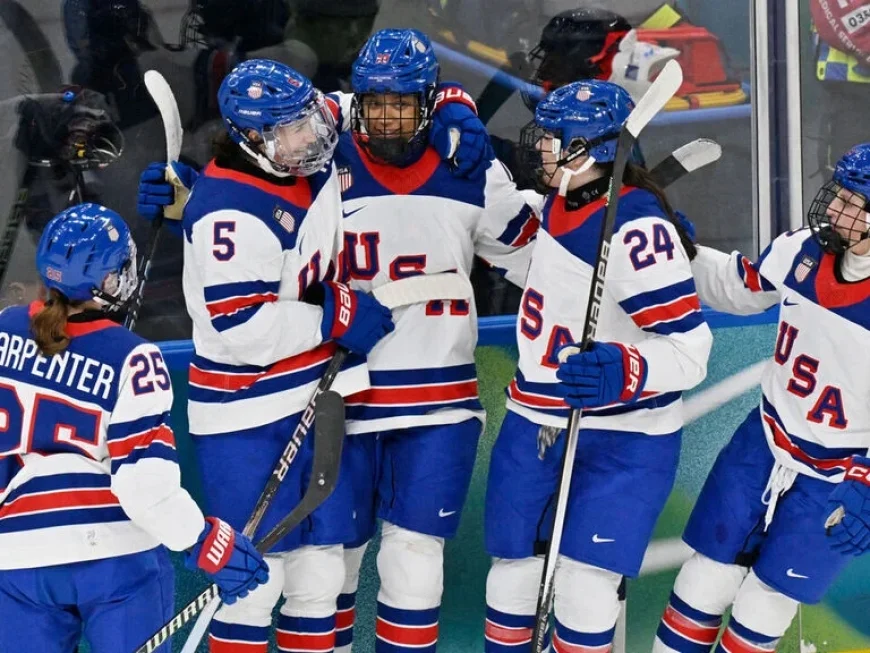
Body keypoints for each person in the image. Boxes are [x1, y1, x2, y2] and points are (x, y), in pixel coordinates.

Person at [329, 28, 540, 653]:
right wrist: (191, 199)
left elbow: (542, 261)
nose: (388, 118)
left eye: (404, 102)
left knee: (415, 560)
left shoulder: (471, 167)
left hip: (437, 397)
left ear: (427, 102)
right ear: (355, 101)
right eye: (375, 102)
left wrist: (629, 219)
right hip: (338, 393)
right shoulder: (320, 157)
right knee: (328, 563)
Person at [482, 80, 712, 652]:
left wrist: (624, 369)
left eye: (557, 138)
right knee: (512, 579)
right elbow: (504, 246)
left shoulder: (638, 232)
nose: (541, 147)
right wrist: (468, 163)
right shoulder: (556, 205)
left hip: (623, 437)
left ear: (594, 151)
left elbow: (691, 351)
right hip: (534, 419)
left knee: (585, 588)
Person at [0, 203, 268, 653]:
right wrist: (206, 542)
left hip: (16, 562)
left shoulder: (5, 330)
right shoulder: (135, 358)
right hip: (115, 561)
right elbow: (145, 487)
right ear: (112, 280)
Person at [652, 144, 870, 653]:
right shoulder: (804, 249)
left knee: (766, 600)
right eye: (839, 193)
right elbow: (739, 287)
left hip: (838, 473)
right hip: (765, 440)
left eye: (856, 202)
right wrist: (684, 252)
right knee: (703, 577)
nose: (836, 209)